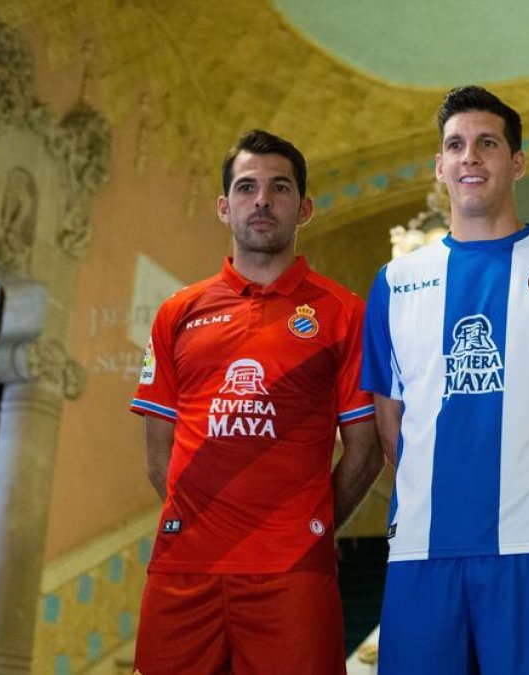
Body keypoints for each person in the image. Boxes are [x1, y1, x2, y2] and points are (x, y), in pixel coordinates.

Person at [362, 85, 529, 675]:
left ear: (517, 162)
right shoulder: (395, 281)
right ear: (439, 166)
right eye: (455, 145)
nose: (470, 157)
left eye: (487, 143)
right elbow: (389, 421)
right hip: (421, 552)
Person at [129, 129, 381, 675]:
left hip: (292, 575)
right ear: (224, 207)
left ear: (305, 207)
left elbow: (366, 449)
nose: (261, 200)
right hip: (182, 570)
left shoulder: (344, 313)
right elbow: (158, 454)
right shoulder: (177, 311)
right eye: (246, 187)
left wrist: (306, 528)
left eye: (279, 187)